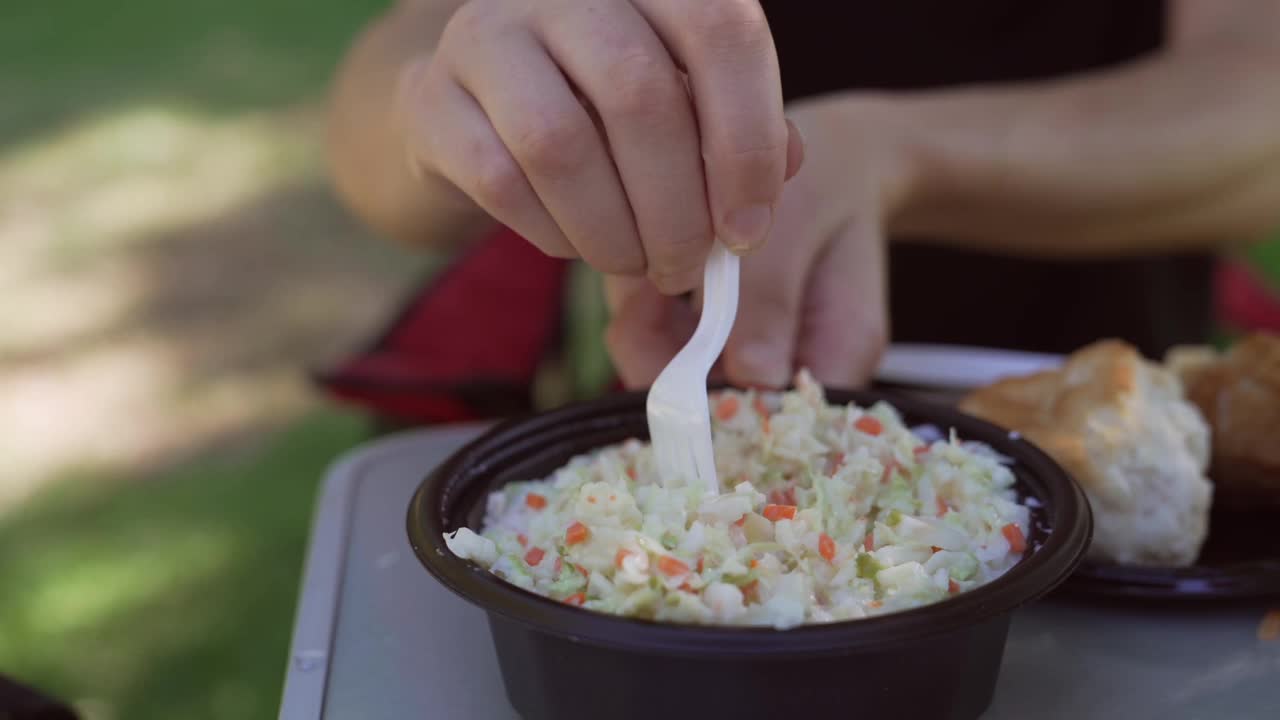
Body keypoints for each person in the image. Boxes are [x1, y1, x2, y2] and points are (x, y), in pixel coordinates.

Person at [326, 0, 1280, 399]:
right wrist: (434, 106)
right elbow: (378, 105)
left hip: (1102, 443)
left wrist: (894, 156)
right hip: (674, 456)